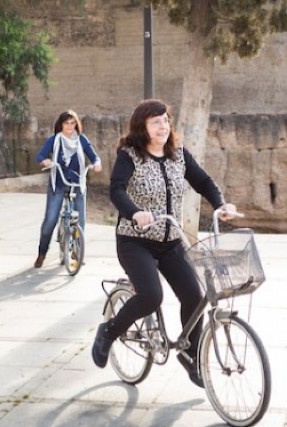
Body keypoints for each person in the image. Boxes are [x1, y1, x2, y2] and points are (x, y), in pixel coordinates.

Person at [90, 99, 238, 388]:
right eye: (156, 121)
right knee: (150, 295)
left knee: (195, 298)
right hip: (136, 241)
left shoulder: (178, 154)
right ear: (142, 126)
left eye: (166, 120)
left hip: (171, 240)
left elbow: (204, 182)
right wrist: (135, 213)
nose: (163, 126)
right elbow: (116, 190)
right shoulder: (129, 155)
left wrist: (221, 204)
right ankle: (109, 331)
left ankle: (189, 353)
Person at [33, 110, 102, 268]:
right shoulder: (54, 140)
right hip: (58, 183)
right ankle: (42, 253)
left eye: (73, 123)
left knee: (81, 220)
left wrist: (97, 163)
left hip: (78, 184)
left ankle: (77, 252)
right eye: (66, 123)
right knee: (50, 220)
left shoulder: (82, 140)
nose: (70, 126)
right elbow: (40, 156)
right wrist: (46, 161)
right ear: (61, 125)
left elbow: (94, 156)